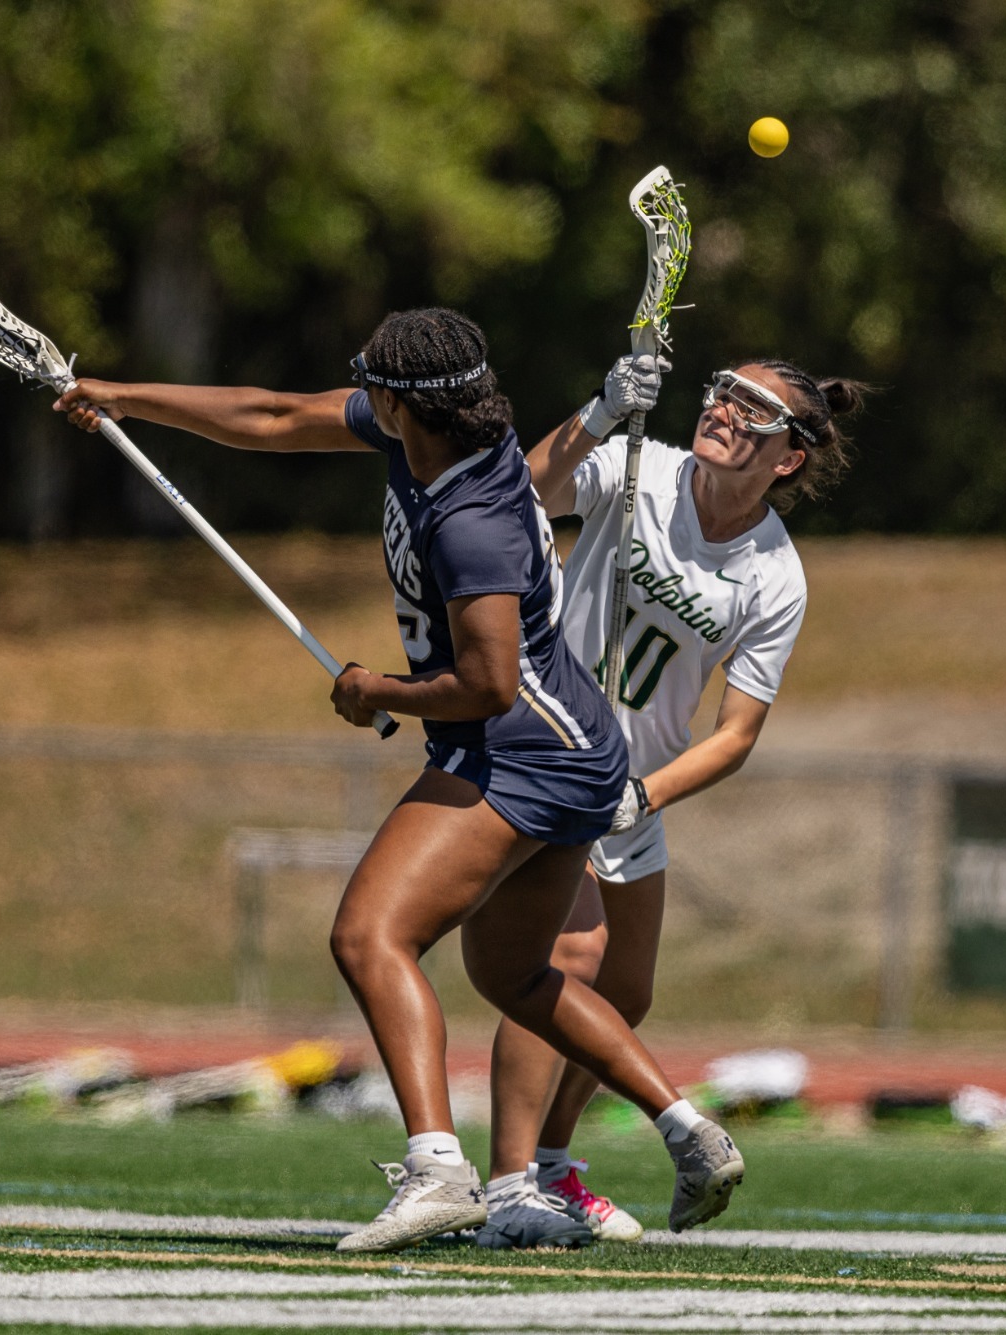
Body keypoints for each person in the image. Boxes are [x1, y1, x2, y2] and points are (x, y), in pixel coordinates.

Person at [51, 308, 744, 1251]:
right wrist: (125, 399)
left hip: (523, 750)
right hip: (567, 747)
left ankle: (437, 1172)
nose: (360, 395)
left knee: (370, 934)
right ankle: (688, 1129)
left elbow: (488, 682)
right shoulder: (419, 432)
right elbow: (272, 415)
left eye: (370, 382)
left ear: (401, 401)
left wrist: (374, 688)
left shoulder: (471, 520)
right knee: (512, 973)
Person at [472, 354, 864, 1248]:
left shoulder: (775, 575)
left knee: (627, 990)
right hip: (552, 747)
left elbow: (735, 733)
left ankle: (552, 1168)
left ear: (787, 457)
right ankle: (506, 1188)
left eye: (751, 408)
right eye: (722, 392)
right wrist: (602, 411)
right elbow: (523, 489)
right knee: (568, 955)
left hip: (629, 788)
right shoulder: (639, 465)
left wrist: (642, 795)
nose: (721, 410)